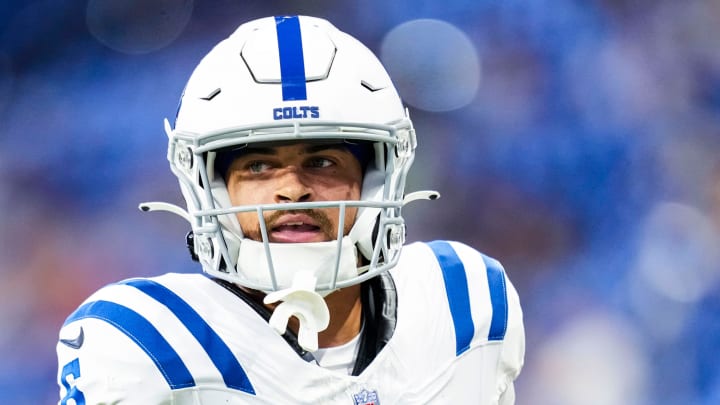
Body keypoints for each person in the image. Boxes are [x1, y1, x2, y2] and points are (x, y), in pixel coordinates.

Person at [56, 15, 524, 404]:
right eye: (258, 166)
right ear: (212, 188)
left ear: (378, 176)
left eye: (322, 162)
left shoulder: (466, 301)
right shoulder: (146, 342)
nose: (292, 189)